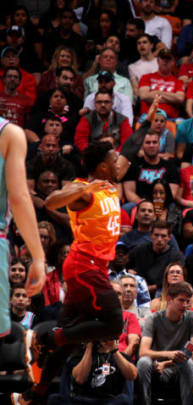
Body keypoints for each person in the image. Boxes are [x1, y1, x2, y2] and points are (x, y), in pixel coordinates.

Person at [28, 141, 123, 404]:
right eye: (114, 160)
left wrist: (148, 122)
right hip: (85, 266)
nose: (118, 164)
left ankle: (36, 393)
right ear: (103, 166)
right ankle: (48, 338)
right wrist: (86, 186)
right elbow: (50, 201)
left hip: (93, 267)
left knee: (69, 340)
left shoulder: (110, 184)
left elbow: (127, 157)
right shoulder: (84, 189)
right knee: (114, 323)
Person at [137, 282, 193, 405]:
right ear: (169, 299)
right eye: (181, 300)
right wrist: (169, 354)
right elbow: (143, 352)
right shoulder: (153, 319)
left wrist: (167, 364)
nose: (185, 305)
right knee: (143, 362)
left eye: (188, 301)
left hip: (179, 367)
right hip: (156, 367)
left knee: (188, 362)